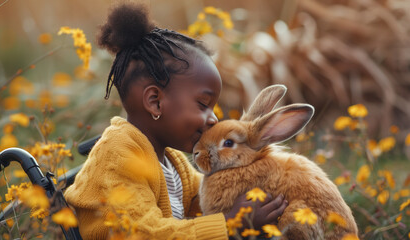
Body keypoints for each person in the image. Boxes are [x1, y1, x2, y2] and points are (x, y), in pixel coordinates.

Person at [64, 2, 287, 239]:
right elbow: (144, 233)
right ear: (155, 102)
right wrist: (231, 223)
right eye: (203, 104)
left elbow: (208, 196)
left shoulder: (172, 159)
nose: (213, 119)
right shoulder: (119, 156)